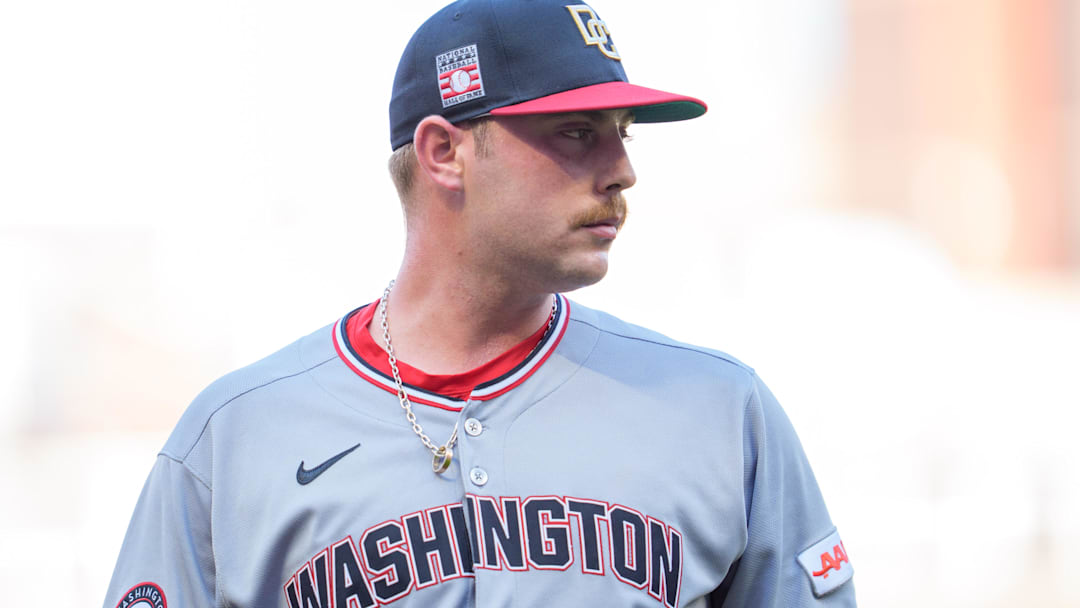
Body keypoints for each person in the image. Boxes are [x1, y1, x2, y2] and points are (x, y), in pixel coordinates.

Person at [104, 1, 855, 606]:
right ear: (444, 153)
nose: (622, 170)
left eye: (621, 135)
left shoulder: (720, 410)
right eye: (575, 133)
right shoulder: (237, 435)